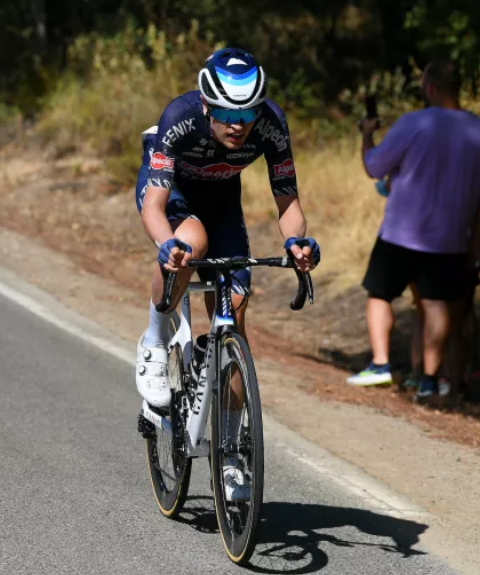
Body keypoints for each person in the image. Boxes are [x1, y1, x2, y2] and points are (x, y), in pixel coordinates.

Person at [134, 48, 320, 500]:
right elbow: (155, 208)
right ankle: (156, 342)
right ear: (205, 105)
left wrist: (296, 241)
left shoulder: (271, 124)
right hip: (173, 193)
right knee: (190, 243)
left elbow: (288, 202)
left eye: (248, 113)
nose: (238, 124)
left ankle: (233, 451)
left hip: (222, 200)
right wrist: (167, 246)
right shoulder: (180, 117)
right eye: (225, 112)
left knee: (235, 315)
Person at [347, 60, 480, 402]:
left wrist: (366, 134)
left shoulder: (415, 123)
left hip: (402, 233)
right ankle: (429, 380)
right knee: (436, 306)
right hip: (451, 239)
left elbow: (375, 166)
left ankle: (380, 365)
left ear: (431, 88)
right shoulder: (476, 130)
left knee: (379, 294)